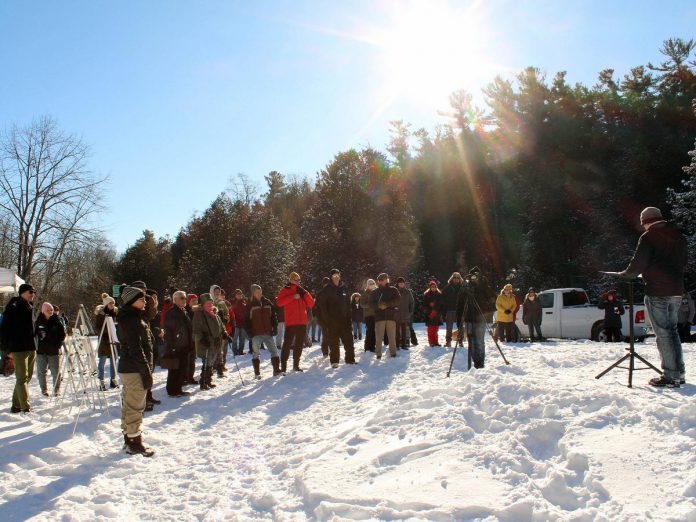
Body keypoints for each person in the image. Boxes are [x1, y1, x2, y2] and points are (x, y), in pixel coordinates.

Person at [620, 206, 688, 387]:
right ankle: (679, 373)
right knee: (672, 331)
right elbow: (683, 261)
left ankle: (670, 376)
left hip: (658, 292)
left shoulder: (648, 237)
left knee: (663, 334)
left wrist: (627, 274)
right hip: (676, 291)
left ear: (646, 222)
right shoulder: (678, 236)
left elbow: (638, 264)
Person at [116, 286, 155, 457]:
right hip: (133, 369)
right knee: (135, 405)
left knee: (130, 403)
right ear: (132, 301)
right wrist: (145, 372)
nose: (145, 302)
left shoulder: (133, 317)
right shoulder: (131, 320)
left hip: (131, 368)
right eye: (142, 299)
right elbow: (135, 349)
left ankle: (129, 436)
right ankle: (134, 442)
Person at [1, 283, 37, 413]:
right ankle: (25, 407)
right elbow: (5, 329)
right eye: (30, 292)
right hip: (18, 348)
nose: (32, 294)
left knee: (28, 377)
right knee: (21, 377)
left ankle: (16, 405)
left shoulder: (30, 306)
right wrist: (7, 349)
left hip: (30, 346)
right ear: (22, 292)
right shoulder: (13, 307)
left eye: (33, 292)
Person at [456, 267, 496, 368]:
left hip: (480, 318)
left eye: (476, 275)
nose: (474, 278)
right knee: (471, 342)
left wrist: (483, 285)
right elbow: (460, 304)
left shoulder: (484, 286)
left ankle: (480, 363)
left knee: (479, 341)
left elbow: (492, 298)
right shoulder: (465, 287)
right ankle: (475, 362)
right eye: (472, 275)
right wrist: (459, 321)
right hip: (469, 318)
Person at [316, 269, 356, 368]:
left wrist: (349, 317)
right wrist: (326, 320)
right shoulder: (327, 289)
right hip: (332, 321)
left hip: (345, 320)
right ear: (331, 277)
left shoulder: (344, 288)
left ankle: (350, 360)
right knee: (333, 342)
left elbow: (348, 304)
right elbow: (321, 306)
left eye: (337, 275)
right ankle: (334, 361)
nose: (336, 277)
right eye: (334, 276)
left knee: (349, 341)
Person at [276, 272, 315, 373]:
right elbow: (279, 303)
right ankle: (283, 367)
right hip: (291, 322)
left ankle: (296, 365)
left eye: (298, 280)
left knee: (299, 344)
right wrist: (292, 297)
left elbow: (311, 304)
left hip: (302, 322)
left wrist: (305, 294)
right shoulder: (285, 289)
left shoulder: (302, 291)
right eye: (295, 279)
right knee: (287, 344)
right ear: (291, 279)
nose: (297, 282)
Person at [192, 293, 226, 390]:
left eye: (211, 303)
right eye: (207, 304)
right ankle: (203, 382)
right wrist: (202, 339)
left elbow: (221, 324)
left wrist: (224, 332)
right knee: (206, 362)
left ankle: (208, 381)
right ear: (202, 305)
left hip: (215, 342)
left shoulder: (214, 312)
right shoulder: (199, 314)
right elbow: (196, 329)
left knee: (211, 362)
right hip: (206, 342)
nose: (210, 305)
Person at [247, 284, 281, 378]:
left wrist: (275, 327)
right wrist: (249, 331)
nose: (259, 293)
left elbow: (273, 316)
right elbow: (246, 320)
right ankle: (257, 373)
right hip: (256, 333)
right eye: (257, 292)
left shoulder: (267, 302)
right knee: (256, 353)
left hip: (267, 332)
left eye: (260, 291)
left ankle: (276, 370)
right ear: (253, 293)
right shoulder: (249, 304)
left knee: (274, 351)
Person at [163, 291, 193, 397]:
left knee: (182, 368)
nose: (184, 300)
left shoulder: (183, 311)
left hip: (184, 345)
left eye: (185, 298)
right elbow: (169, 331)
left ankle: (178, 388)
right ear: (175, 300)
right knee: (174, 369)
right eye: (182, 298)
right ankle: (172, 390)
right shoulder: (172, 312)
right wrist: (172, 346)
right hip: (176, 346)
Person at [35, 302, 66, 396]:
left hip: (54, 350)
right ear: (43, 311)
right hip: (41, 350)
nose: (50, 312)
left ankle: (56, 389)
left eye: (51, 310)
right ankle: (43, 390)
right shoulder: (38, 321)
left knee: (56, 372)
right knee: (41, 372)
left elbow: (62, 334)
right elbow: (34, 334)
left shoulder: (57, 321)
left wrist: (58, 344)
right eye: (48, 310)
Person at [368, 273, 401, 359]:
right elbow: (370, 304)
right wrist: (378, 306)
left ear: (387, 280)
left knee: (392, 337)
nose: (382, 281)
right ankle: (378, 354)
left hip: (391, 316)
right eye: (380, 280)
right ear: (378, 281)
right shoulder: (374, 292)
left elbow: (398, 300)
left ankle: (393, 353)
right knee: (379, 337)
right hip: (379, 317)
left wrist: (387, 304)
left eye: (383, 279)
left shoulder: (393, 290)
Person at [94, 293, 119, 390]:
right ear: (106, 304)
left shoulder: (116, 313)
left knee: (113, 360)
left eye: (113, 303)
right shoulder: (101, 314)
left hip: (113, 338)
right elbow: (97, 327)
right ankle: (101, 381)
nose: (112, 305)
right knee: (102, 361)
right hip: (104, 339)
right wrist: (105, 332)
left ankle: (113, 380)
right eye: (110, 303)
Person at [210, 284, 232, 376]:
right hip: (212, 329)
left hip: (222, 328)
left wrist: (226, 318)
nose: (217, 294)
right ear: (212, 292)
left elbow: (227, 314)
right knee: (214, 349)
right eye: (215, 292)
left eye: (218, 292)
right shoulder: (209, 302)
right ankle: (212, 366)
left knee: (222, 348)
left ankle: (220, 365)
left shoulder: (222, 303)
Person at [442, 272, 463, 347]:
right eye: (454, 277)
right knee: (449, 327)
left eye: (458, 278)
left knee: (460, 327)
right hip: (450, 309)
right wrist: (445, 308)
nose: (456, 279)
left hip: (460, 310)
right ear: (452, 278)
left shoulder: (462, 287)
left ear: (460, 279)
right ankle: (448, 342)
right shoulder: (447, 287)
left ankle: (460, 341)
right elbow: (442, 297)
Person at [395, 277, 414, 351]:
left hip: (405, 315)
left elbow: (412, 302)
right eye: (399, 283)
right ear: (397, 284)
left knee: (404, 331)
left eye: (402, 283)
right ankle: (397, 344)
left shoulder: (408, 292)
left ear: (404, 283)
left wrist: (410, 312)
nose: (401, 284)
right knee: (397, 331)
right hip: (397, 315)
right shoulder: (395, 291)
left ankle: (403, 345)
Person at [183, 294, 199, 385]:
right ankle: (184, 377)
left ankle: (190, 377)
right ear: (188, 302)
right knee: (187, 359)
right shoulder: (186, 312)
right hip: (187, 339)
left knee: (192, 359)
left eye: (196, 300)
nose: (195, 302)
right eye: (193, 301)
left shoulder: (197, 311)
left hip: (194, 339)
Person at [422, 280, 443, 347]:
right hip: (429, 315)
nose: (433, 288)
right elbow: (424, 305)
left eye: (434, 286)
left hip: (437, 315)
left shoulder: (439, 294)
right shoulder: (426, 295)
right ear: (430, 287)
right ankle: (431, 342)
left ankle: (436, 342)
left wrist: (437, 311)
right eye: (432, 287)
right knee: (430, 330)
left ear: (436, 287)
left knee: (436, 330)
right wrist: (429, 312)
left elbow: (441, 305)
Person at [231, 289, 249, 355]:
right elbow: (231, 312)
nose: (239, 295)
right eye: (238, 294)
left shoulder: (244, 302)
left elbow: (246, 312)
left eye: (240, 294)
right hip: (235, 324)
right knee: (235, 339)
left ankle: (241, 351)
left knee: (242, 339)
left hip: (243, 323)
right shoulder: (233, 302)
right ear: (235, 295)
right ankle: (235, 351)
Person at [361, 279, 377, 352]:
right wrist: (369, 305)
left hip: (376, 315)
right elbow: (362, 304)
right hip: (368, 315)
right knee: (370, 330)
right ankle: (367, 347)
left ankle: (372, 346)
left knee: (374, 331)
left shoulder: (376, 292)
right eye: (370, 284)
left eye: (373, 283)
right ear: (367, 285)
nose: (372, 285)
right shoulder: (365, 293)